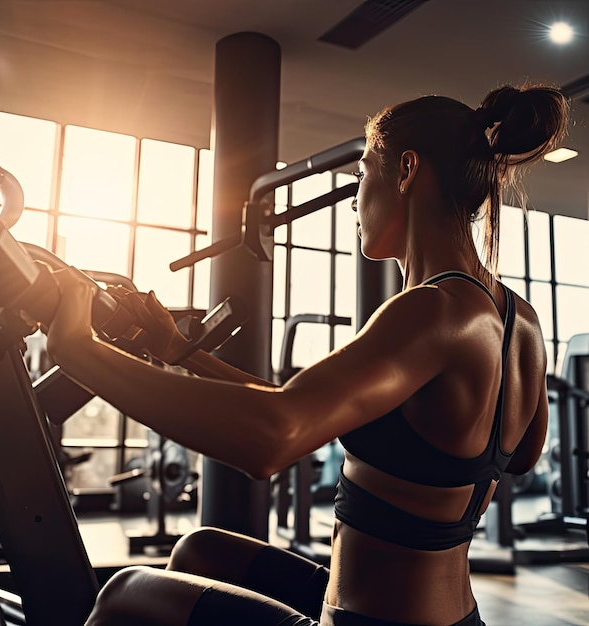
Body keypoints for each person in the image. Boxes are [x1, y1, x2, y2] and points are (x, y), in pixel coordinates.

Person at [45, 83, 569, 626]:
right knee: (202, 552)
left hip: (372, 622)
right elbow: (522, 455)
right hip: (454, 617)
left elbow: (272, 437)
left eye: (365, 173)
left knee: (123, 595)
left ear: (407, 169)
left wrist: (80, 351)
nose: (357, 200)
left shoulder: (431, 310)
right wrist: (177, 350)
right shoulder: (519, 319)